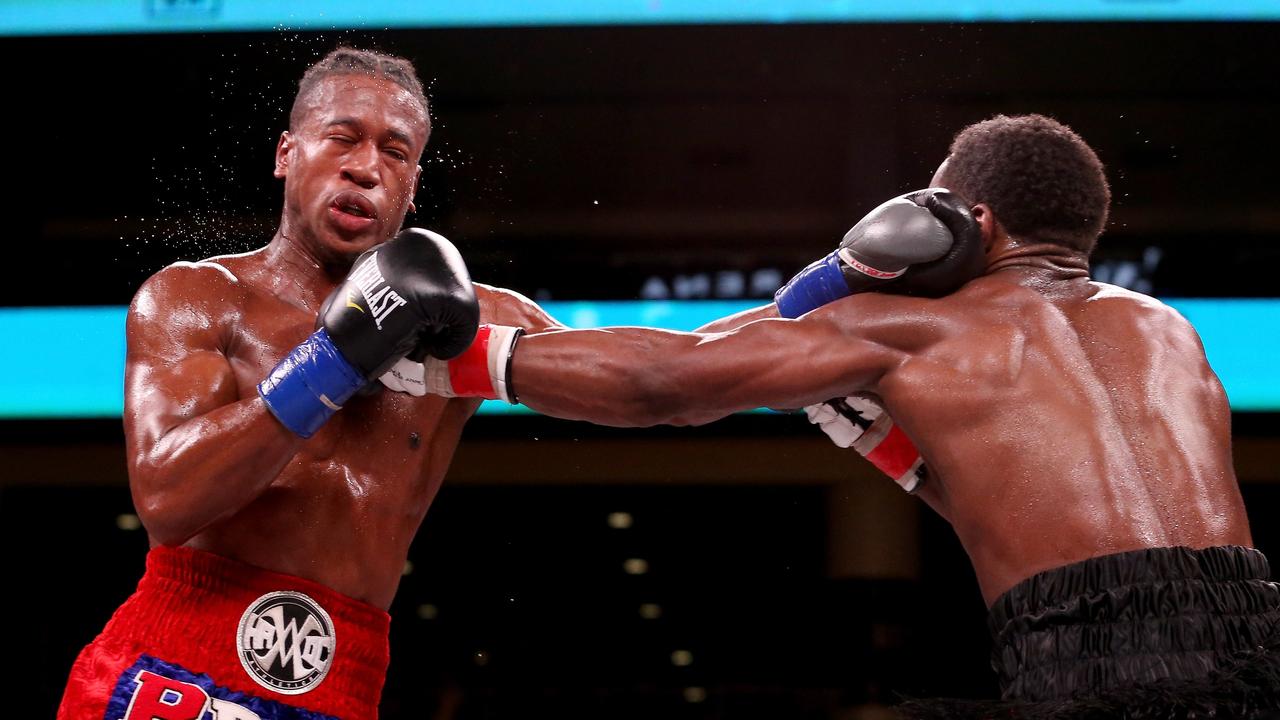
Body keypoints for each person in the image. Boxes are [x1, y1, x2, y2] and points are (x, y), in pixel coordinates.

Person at [440, 114, 1280, 716]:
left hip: (1082, 672)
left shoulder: (918, 326)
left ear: (965, 221)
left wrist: (446, 354)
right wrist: (896, 450)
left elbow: (668, 379)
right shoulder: (1168, 331)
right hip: (1257, 653)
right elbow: (1087, 532)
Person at [56, 47, 564, 720]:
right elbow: (166, 500)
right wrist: (336, 358)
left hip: (343, 683)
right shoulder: (198, 298)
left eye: (396, 152)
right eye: (343, 139)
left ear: (413, 185)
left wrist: (752, 341)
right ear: (286, 153)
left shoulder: (470, 318)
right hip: (172, 663)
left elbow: (650, 376)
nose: (365, 167)